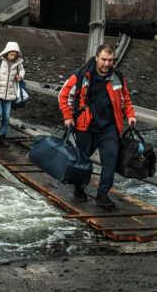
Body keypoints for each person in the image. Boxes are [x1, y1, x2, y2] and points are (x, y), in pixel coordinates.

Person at [58, 44, 137, 209]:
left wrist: (130, 114)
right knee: (82, 160)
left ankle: (102, 195)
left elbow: (125, 98)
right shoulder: (81, 75)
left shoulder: (117, 76)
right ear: (96, 58)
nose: (107, 64)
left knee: (110, 162)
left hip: (109, 128)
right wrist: (67, 117)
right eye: (104, 59)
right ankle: (79, 189)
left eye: (110, 60)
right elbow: (63, 95)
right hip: (85, 126)